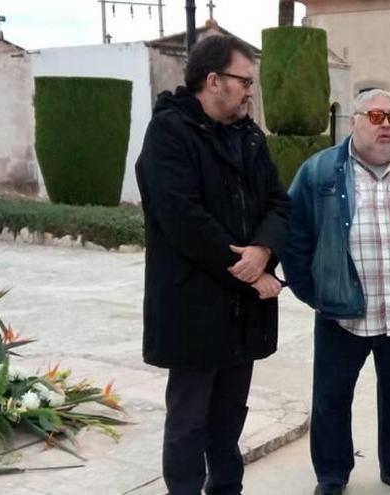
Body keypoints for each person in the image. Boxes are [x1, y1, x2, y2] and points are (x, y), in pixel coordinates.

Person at [135, 35, 291, 495]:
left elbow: (279, 203)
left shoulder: (250, 136)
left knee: (228, 420)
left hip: (241, 314)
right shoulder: (168, 132)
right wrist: (250, 270)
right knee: (188, 421)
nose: (250, 91)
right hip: (192, 308)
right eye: (244, 81)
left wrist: (263, 249)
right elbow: (182, 219)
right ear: (213, 80)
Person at [282, 89, 390, 495]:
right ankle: (332, 474)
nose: (387, 126)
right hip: (342, 313)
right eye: (376, 116)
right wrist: (313, 292)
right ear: (353, 121)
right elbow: (294, 235)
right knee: (331, 398)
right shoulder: (320, 171)